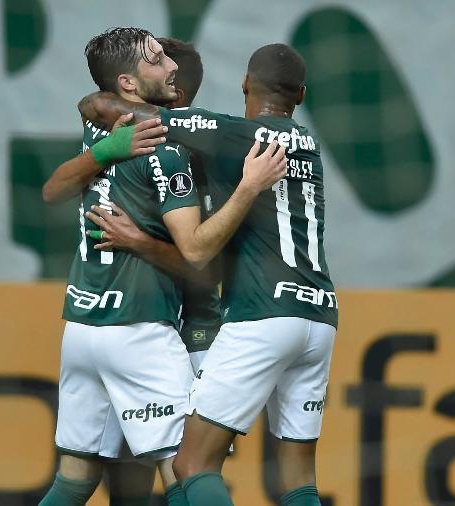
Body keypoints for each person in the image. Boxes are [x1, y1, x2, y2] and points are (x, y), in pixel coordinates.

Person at [79, 43, 338, 506]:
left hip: (263, 313)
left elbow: (102, 107)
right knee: (299, 478)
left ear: (244, 85)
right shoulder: (311, 146)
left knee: (191, 464)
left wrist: (100, 104)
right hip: (319, 318)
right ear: (300, 95)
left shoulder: (232, 134)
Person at [39, 28, 287, 506]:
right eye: (157, 63)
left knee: (76, 478)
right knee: (187, 471)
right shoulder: (167, 152)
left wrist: (136, 236)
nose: (168, 70)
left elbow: (72, 145)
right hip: (143, 327)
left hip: (84, 324)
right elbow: (199, 258)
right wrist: (249, 188)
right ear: (132, 87)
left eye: (170, 67)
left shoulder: (109, 128)